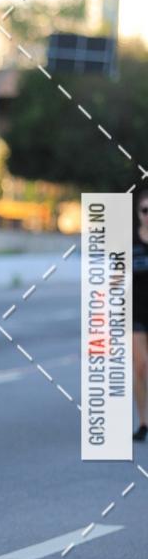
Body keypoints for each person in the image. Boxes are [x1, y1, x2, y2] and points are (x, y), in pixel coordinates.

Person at [133, 188, 148, 441]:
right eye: (146, 210)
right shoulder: (130, 243)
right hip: (135, 311)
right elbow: (112, 278)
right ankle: (144, 421)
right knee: (140, 365)